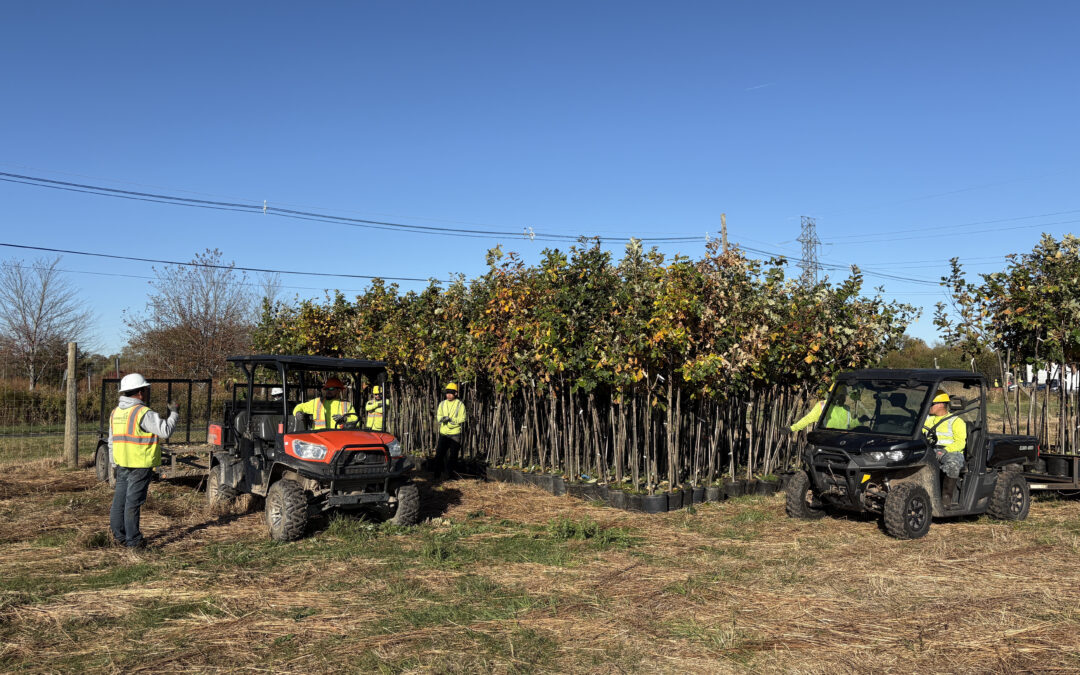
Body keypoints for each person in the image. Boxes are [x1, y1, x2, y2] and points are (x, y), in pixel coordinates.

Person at [109, 373, 179, 549]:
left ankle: (119, 536)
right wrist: (174, 412)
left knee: (120, 500)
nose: (147, 392)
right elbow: (165, 431)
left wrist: (113, 462)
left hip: (122, 462)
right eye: (146, 389)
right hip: (140, 464)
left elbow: (112, 441)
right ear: (140, 393)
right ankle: (134, 542)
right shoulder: (142, 412)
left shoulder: (115, 412)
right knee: (133, 503)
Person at [923, 390, 967, 507]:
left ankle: (946, 499)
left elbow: (960, 443)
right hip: (931, 449)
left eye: (931, 404)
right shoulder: (927, 419)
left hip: (951, 452)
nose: (929, 407)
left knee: (952, 465)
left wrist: (945, 450)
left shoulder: (956, 421)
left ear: (941, 404)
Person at [292, 377, 357, 430]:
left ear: (339, 390)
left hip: (340, 437)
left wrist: (345, 419)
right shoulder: (317, 402)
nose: (328, 391)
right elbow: (300, 407)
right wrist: (297, 413)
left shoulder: (346, 404)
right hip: (320, 439)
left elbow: (356, 420)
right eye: (326, 389)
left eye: (331, 388)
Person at [433, 382, 467, 480]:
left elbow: (463, 418)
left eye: (451, 392)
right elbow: (438, 416)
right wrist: (442, 419)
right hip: (444, 434)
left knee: (453, 457)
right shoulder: (442, 404)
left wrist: (452, 421)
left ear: (456, 393)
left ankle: (450, 476)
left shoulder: (460, 405)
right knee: (439, 455)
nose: (448, 394)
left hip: (455, 434)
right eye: (447, 392)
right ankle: (436, 476)